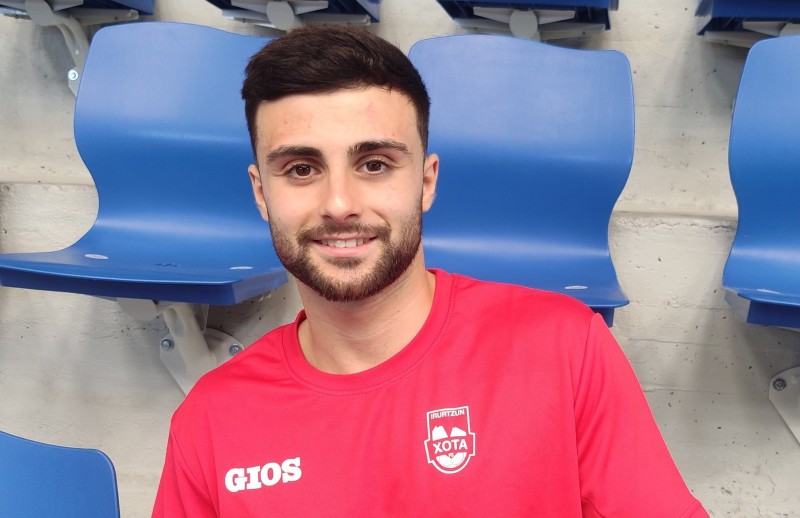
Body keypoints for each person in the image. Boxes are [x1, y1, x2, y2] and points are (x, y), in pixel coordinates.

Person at [153, 25, 708, 517]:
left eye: (374, 165)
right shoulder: (210, 421)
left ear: (426, 181)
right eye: (301, 168)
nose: (340, 203)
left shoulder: (565, 348)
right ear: (260, 192)